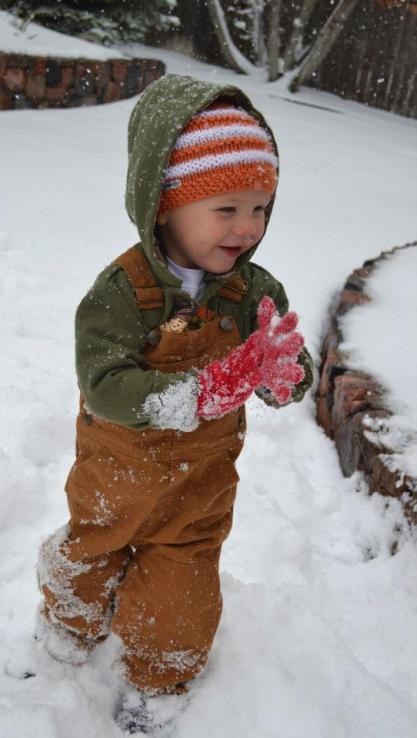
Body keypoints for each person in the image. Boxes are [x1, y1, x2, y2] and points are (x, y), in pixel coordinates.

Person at [36, 73, 313, 728]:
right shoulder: (123, 291)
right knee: (87, 557)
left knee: (181, 589)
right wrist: (193, 391)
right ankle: (69, 627)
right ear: (163, 203)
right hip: (115, 474)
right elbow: (102, 380)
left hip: (200, 485)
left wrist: (284, 375)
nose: (247, 227)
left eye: (260, 208)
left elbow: (287, 356)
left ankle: (160, 675)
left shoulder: (251, 291)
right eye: (226, 209)